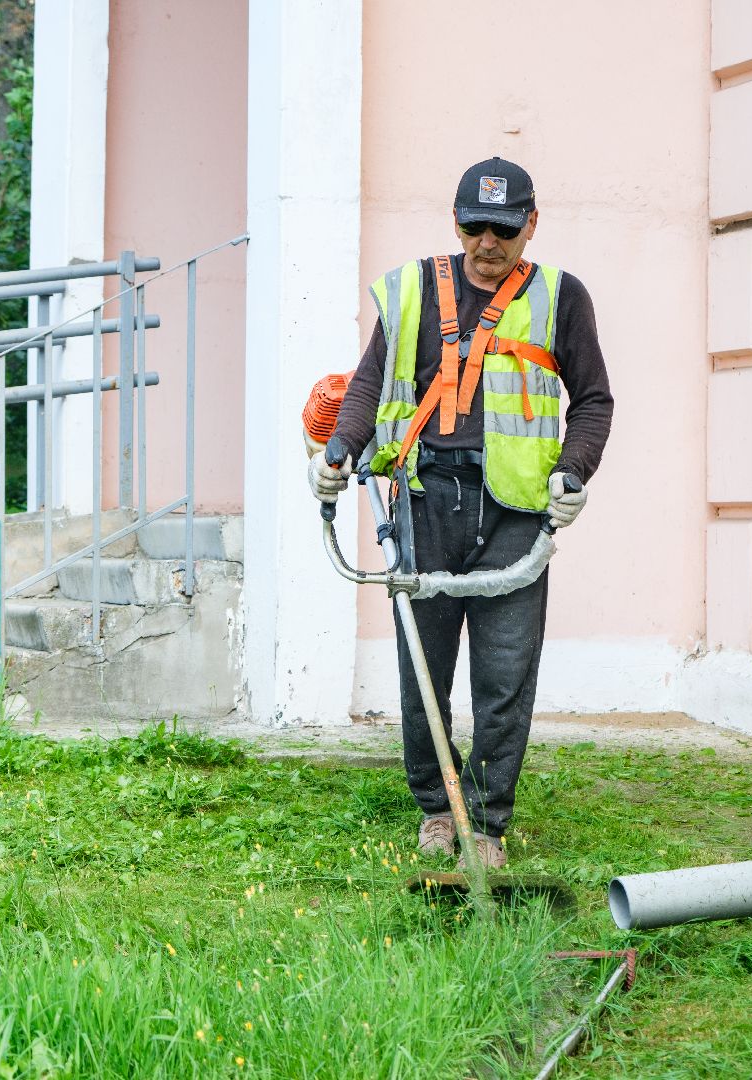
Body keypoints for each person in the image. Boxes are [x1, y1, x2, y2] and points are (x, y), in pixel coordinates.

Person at [308, 157, 614, 869]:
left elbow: (593, 400)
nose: (488, 242)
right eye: (475, 226)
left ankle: (485, 822)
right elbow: (364, 388)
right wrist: (338, 453)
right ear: (456, 221)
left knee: (506, 674)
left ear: (531, 225)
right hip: (424, 503)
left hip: (514, 511)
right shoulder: (414, 289)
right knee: (424, 671)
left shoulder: (563, 299)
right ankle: (435, 811)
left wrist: (573, 471)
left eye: (504, 229)